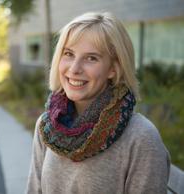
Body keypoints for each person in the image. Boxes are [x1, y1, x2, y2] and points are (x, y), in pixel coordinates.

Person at [25, 12, 170, 194]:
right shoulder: (47, 126)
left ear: (113, 68)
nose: (74, 68)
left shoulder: (141, 138)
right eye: (69, 54)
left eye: (91, 58)